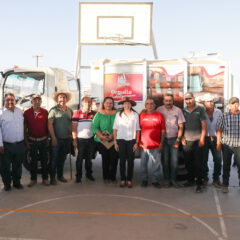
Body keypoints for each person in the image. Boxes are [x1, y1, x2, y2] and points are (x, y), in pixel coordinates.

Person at [157, 93, 185, 188]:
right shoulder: (159, 110)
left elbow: (181, 127)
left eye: (170, 101)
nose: (168, 102)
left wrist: (178, 140)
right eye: (166, 100)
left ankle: (173, 180)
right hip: (163, 140)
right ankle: (166, 180)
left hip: (174, 139)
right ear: (163, 101)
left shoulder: (178, 110)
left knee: (174, 161)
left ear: (173, 101)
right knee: (165, 161)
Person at [182, 92, 206, 193]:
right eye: (186, 99)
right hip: (187, 141)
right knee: (188, 162)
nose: (189, 101)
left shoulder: (200, 109)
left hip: (197, 140)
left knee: (198, 163)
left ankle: (199, 184)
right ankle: (190, 180)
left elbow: (204, 125)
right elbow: (181, 125)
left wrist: (202, 139)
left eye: (190, 99)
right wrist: (182, 137)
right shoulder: (183, 110)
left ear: (194, 98)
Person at [113, 97, 140, 188]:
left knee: (131, 161)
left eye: (129, 104)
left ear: (131, 105)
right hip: (120, 140)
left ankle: (129, 179)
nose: (127, 105)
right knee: (122, 161)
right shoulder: (118, 115)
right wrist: (115, 142)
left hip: (131, 141)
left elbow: (137, 129)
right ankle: (122, 179)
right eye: (125, 104)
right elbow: (115, 129)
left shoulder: (135, 115)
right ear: (123, 105)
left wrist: (136, 142)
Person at [0, 93, 25, 191]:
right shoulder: (1, 113)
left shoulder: (19, 111)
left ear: (15, 101)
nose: (10, 102)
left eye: (12, 100)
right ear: (4, 101)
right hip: (6, 145)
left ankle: (17, 182)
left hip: (19, 144)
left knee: (18, 165)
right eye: (8, 100)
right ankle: (7, 184)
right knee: (5, 166)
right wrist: (0, 144)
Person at [24, 94, 50, 187]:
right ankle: (33, 179)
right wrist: (26, 141)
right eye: (35, 100)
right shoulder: (26, 113)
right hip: (32, 140)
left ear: (41, 101)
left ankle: (45, 179)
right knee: (33, 161)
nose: (37, 101)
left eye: (39, 100)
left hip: (43, 140)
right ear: (31, 102)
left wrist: (48, 138)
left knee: (44, 160)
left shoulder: (45, 112)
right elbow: (25, 127)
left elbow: (48, 126)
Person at [139, 98, 165, 188]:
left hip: (156, 145)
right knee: (143, 164)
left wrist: (161, 143)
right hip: (144, 144)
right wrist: (138, 142)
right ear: (145, 105)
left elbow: (162, 131)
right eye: (147, 104)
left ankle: (155, 180)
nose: (149, 105)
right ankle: (144, 180)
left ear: (154, 105)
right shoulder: (141, 115)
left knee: (156, 164)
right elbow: (138, 130)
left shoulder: (160, 115)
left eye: (151, 104)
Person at [48, 91, 73, 185]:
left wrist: (71, 135)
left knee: (62, 159)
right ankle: (52, 178)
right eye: (60, 97)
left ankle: (60, 176)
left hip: (66, 139)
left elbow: (71, 123)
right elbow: (49, 125)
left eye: (64, 97)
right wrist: (53, 138)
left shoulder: (70, 110)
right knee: (54, 159)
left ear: (66, 99)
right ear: (57, 99)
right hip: (56, 139)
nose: (62, 99)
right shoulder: (53, 110)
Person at [92, 97, 118, 183]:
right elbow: (94, 127)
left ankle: (113, 176)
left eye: (111, 103)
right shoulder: (99, 114)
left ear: (113, 104)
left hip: (114, 139)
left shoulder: (117, 113)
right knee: (105, 159)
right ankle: (106, 177)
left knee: (114, 159)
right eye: (107, 102)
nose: (109, 104)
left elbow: (122, 125)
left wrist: (113, 135)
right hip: (103, 139)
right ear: (104, 103)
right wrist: (101, 136)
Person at [217, 97, 240, 193]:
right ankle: (225, 185)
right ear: (229, 105)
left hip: (239, 145)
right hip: (226, 144)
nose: (235, 105)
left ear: (238, 104)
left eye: (236, 103)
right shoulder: (224, 115)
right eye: (232, 104)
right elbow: (219, 130)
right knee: (226, 166)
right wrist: (218, 142)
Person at [72, 96, 96, 183]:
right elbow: (74, 128)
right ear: (82, 103)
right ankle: (78, 176)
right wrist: (74, 140)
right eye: (86, 102)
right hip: (80, 140)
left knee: (89, 159)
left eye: (89, 102)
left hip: (90, 140)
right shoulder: (77, 113)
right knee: (79, 159)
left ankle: (89, 174)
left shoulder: (94, 114)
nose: (88, 103)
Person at [202, 93, 222, 188]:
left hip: (215, 138)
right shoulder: (201, 112)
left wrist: (219, 141)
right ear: (204, 103)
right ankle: (205, 178)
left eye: (211, 101)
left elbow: (220, 127)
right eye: (208, 101)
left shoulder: (218, 112)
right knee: (203, 159)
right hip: (205, 138)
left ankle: (216, 179)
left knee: (218, 160)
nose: (210, 103)